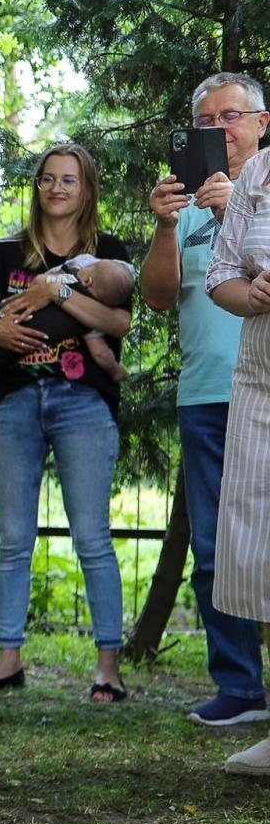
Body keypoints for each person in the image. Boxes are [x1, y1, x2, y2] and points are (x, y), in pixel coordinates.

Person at [0, 145, 133, 702]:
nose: (57, 188)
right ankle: (8, 659)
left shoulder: (108, 254)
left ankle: (108, 668)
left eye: (69, 181)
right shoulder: (6, 253)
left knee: (92, 538)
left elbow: (119, 320)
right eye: (48, 179)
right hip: (14, 403)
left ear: (87, 190)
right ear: (36, 187)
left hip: (84, 403)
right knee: (12, 539)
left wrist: (58, 292)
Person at [145, 72, 270, 730]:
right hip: (205, 395)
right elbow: (159, 296)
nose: (221, 130)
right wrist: (167, 226)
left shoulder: (266, 194)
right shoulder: (185, 204)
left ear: (261, 123)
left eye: (232, 116)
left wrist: (231, 212)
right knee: (218, 548)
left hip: (266, 390)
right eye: (207, 121)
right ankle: (240, 686)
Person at [205, 142, 270, 774]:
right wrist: (251, 293)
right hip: (261, 381)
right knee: (263, 554)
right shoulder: (258, 170)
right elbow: (219, 275)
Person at [0, 257, 135, 398]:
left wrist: (52, 287)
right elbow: (101, 353)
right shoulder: (88, 320)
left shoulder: (67, 278)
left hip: (7, 312)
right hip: (23, 345)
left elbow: (40, 281)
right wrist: (115, 370)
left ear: (88, 280)